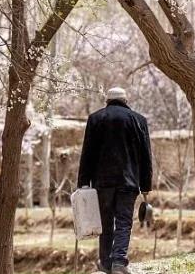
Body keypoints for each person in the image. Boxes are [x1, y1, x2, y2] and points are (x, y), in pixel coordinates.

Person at [77, 87, 153, 274]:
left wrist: (83, 181)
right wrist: (146, 186)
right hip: (129, 181)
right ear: (126, 101)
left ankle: (105, 262)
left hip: (102, 182)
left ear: (107, 101)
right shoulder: (138, 120)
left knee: (105, 221)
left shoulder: (95, 119)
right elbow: (146, 155)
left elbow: (87, 152)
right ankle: (119, 262)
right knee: (124, 221)